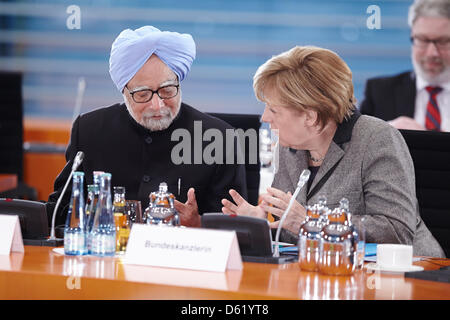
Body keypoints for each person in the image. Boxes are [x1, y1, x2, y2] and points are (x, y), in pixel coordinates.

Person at [221, 45, 445, 257]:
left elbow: (397, 232)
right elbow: (293, 231)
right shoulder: (289, 148)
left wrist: (310, 220)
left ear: (311, 116)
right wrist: (262, 223)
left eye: (273, 110)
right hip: (321, 270)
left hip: (409, 276)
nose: (264, 118)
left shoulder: (377, 139)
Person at [47, 26, 247, 228]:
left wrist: (199, 223)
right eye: (143, 95)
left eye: (168, 90)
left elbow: (236, 227)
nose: (158, 105)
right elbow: (59, 212)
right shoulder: (89, 130)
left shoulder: (219, 138)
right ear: (124, 91)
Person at [359, 0, 450, 131]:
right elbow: (353, 147)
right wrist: (383, 132)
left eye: (443, 41)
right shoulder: (380, 92)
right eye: (422, 40)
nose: (432, 53)